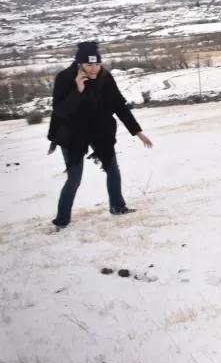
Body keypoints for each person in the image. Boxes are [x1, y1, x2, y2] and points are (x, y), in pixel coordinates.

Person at [47, 41, 153, 229]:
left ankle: (118, 207)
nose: (94, 69)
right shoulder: (64, 78)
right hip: (72, 133)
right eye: (89, 65)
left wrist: (137, 131)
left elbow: (119, 106)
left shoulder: (105, 77)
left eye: (97, 64)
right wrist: (77, 91)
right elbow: (61, 111)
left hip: (98, 130)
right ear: (80, 64)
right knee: (74, 178)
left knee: (113, 168)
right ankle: (62, 220)